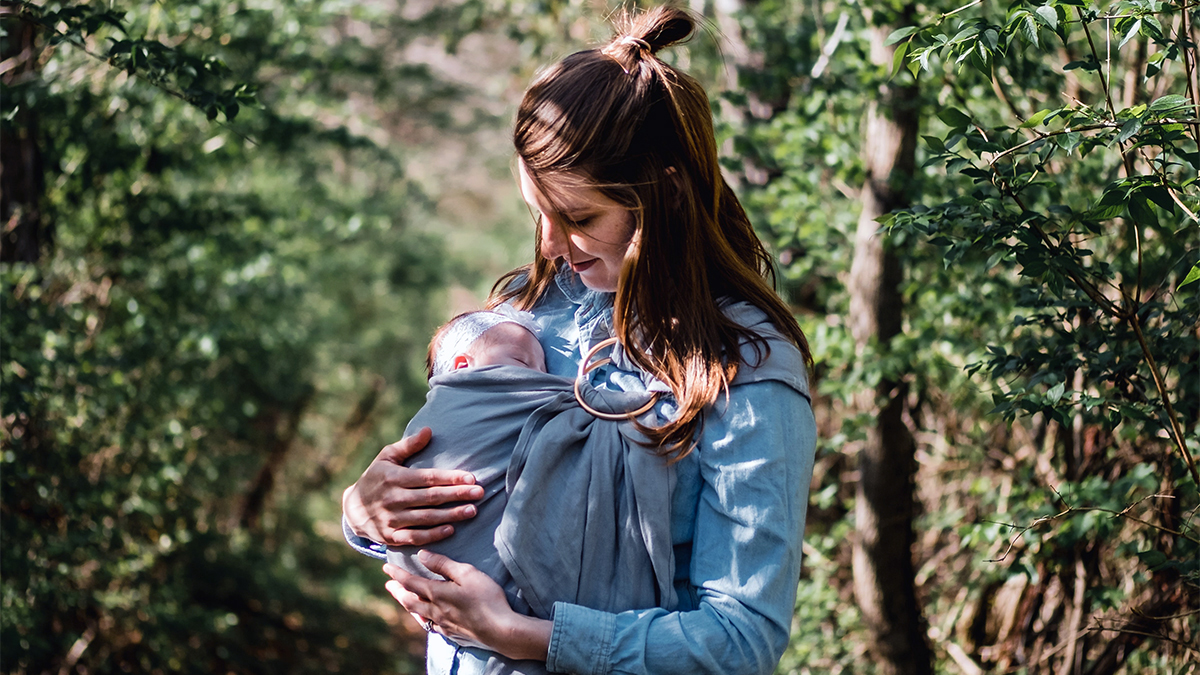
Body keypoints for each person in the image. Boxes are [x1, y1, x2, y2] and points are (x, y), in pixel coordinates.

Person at [341, 6, 818, 675]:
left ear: (667, 195)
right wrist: (363, 513)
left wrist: (524, 635)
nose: (549, 244)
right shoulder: (520, 317)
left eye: (578, 217)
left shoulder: (745, 368)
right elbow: (440, 488)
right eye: (538, 212)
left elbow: (741, 640)